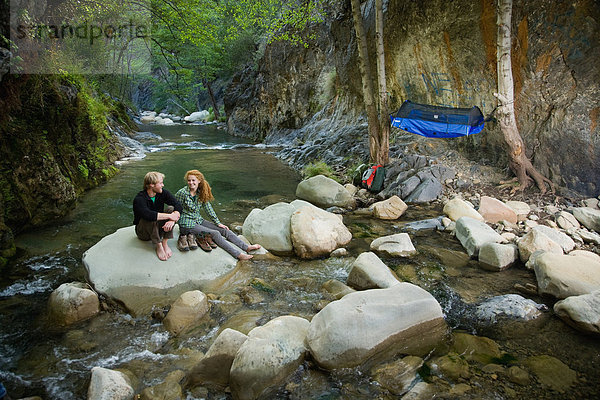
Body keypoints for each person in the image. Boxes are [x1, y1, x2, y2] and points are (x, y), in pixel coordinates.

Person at [175, 169, 261, 260]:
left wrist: (218, 223)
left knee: (224, 229)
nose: (191, 182)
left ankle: (246, 247)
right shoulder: (182, 193)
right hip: (186, 223)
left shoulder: (201, 192)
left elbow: (208, 209)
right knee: (215, 233)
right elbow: (174, 205)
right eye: (189, 180)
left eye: (193, 180)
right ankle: (238, 255)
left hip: (198, 220)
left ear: (199, 181)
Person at [133, 171, 183, 261]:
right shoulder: (139, 198)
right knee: (150, 216)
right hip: (144, 233)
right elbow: (148, 215)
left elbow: (177, 204)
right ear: (151, 185)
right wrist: (169, 216)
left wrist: (173, 219)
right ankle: (158, 245)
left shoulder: (163, 193)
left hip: (159, 229)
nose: (163, 185)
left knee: (171, 208)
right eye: (160, 183)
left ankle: (164, 242)